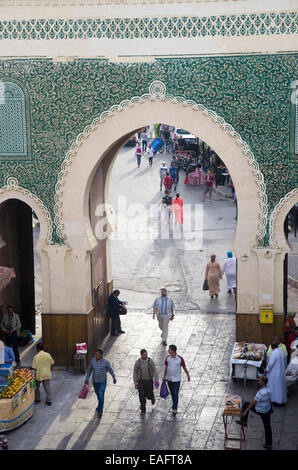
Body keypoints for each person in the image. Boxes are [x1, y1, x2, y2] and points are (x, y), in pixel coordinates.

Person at [236, 376, 273, 450]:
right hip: (267, 410)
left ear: (262, 382)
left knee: (246, 404)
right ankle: (269, 444)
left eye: (259, 381)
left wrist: (245, 411)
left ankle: (243, 421)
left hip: (260, 410)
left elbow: (252, 403)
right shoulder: (269, 389)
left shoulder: (260, 393)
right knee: (267, 427)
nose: (258, 382)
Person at [85, 349, 116, 417]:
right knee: (98, 395)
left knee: (101, 395)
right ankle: (100, 405)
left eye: (97, 354)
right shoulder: (93, 361)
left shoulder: (106, 362)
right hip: (95, 382)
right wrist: (87, 378)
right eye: (95, 354)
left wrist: (114, 377)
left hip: (102, 381)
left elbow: (110, 370)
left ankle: (100, 411)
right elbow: (89, 370)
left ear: (101, 355)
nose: (95, 355)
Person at [162, 345, 190, 415]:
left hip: (176, 379)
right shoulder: (168, 358)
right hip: (169, 379)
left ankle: (174, 407)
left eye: (169, 349)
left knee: (175, 392)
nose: (168, 350)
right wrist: (164, 376)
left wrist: (188, 375)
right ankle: (174, 403)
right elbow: (166, 368)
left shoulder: (180, 359)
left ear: (173, 351)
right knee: (172, 393)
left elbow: (184, 367)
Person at [133, 349, 159, 416]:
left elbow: (154, 370)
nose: (145, 356)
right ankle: (143, 410)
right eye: (144, 354)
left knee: (149, 394)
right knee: (141, 396)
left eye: (146, 354)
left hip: (149, 381)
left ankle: (152, 398)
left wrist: (156, 380)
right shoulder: (138, 362)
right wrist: (135, 382)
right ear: (141, 355)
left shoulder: (150, 361)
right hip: (141, 381)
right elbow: (135, 372)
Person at [265, 342, 287, 406]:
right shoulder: (282, 352)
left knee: (274, 388)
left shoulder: (274, 353)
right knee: (280, 388)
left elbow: (270, 364)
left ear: (271, 347)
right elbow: (285, 362)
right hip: (281, 373)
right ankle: (281, 401)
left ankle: (275, 401)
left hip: (274, 374)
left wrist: (266, 370)